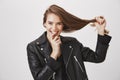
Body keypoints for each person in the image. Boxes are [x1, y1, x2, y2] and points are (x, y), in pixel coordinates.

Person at [26, 4, 112, 80]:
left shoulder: (72, 43)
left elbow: (98, 57)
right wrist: (54, 54)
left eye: (59, 23)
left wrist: (101, 31)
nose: (54, 28)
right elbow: (39, 78)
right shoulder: (33, 47)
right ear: (44, 23)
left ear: (63, 25)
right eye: (50, 23)